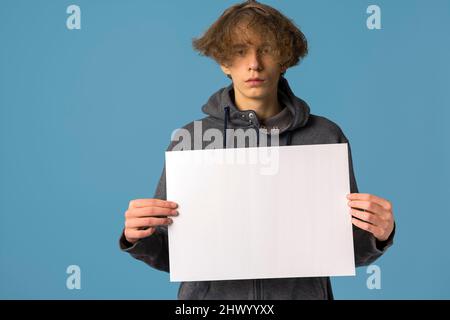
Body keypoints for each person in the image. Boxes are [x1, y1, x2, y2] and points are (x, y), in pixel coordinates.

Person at [119, 0, 395, 300]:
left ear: (285, 59)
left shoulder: (325, 136)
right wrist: (137, 235)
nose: (254, 63)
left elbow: (343, 249)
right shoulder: (191, 139)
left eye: (267, 49)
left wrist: (379, 235)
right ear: (224, 62)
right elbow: (169, 253)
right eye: (239, 51)